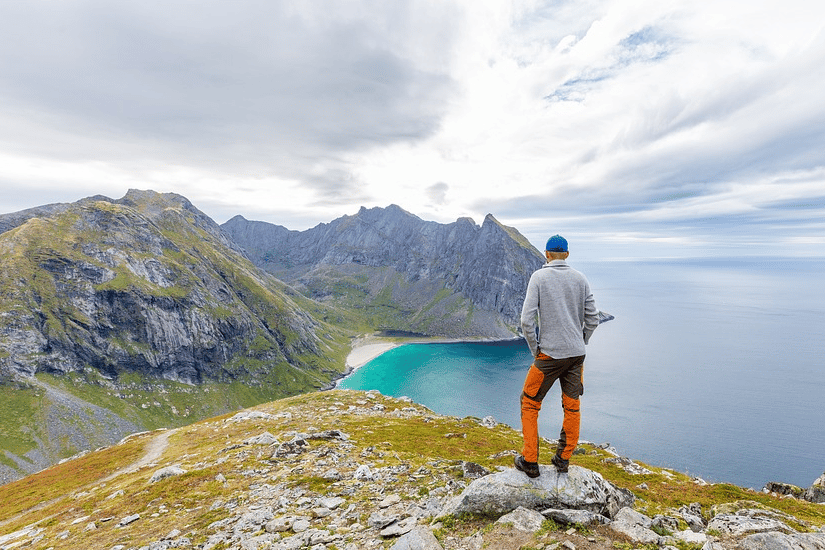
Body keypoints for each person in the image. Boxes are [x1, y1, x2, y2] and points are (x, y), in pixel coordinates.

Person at [514, 234, 599, 477]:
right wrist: (581, 342)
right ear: (568, 255)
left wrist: (535, 349)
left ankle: (530, 460)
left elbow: (526, 320)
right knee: (572, 406)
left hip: (549, 355)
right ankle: (562, 459)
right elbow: (593, 318)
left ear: (547, 255)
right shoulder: (580, 279)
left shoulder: (539, 277)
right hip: (576, 356)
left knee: (529, 401)